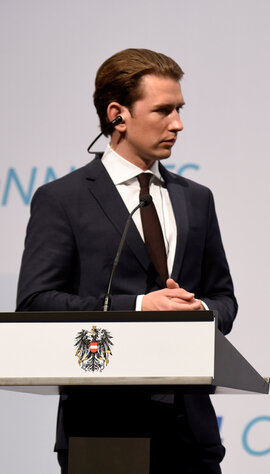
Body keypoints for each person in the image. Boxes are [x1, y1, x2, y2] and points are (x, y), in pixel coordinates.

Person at [16, 48, 237, 473]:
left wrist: (199, 311)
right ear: (117, 115)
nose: (178, 123)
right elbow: (36, 304)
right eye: (163, 110)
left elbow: (224, 299)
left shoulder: (196, 198)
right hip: (103, 429)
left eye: (180, 109)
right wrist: (138, 307)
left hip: (190, 433)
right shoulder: (63, 200)